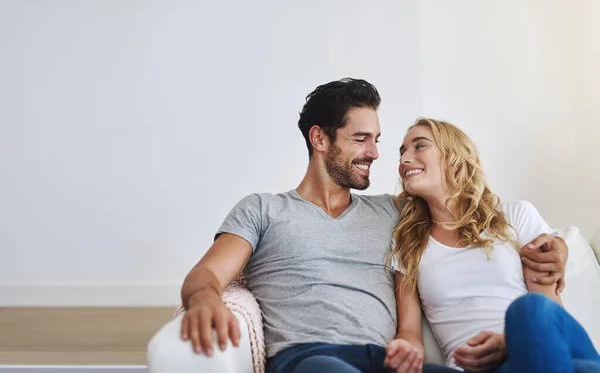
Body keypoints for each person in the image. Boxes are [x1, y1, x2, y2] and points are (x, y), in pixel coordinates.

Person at [146, 79, 566, 373]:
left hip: (384, 360)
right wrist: (202, 298)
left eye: (378, 140)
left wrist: (555, 250)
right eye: (362, 139)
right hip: (310, 357)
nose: (377, 154)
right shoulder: (262, 209)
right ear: (320, 139)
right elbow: (208, 273)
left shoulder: (394, 213)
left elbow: (462, 209)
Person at [384, 118, 599, 373]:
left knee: (529, 309)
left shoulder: (515, 216)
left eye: (419, 146)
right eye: (402, 152)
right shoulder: (408, 244)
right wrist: (404, 353)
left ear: (453, 155)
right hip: (474, 369)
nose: (404, 159)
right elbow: (409, 332)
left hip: (540, 347)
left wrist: (510, 342)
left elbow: (548, 308)